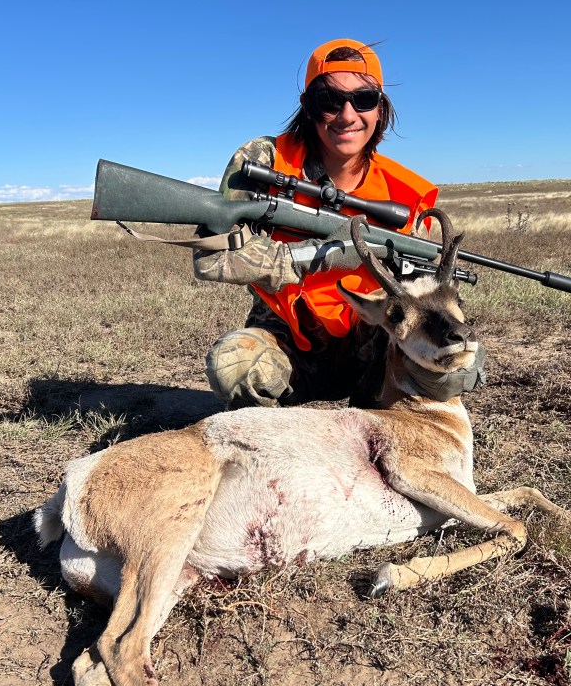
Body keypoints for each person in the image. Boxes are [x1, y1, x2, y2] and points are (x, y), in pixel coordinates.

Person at [193, 39, 483, 409]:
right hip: (287, 339)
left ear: (380, 108)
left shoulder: (404, 194)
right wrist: (318, 255)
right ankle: (275, 436)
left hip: (373, 340)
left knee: (458, 365)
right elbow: (211, 258)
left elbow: (418, 292)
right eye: (329, 100)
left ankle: (383, 425)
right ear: (308, 107)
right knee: (235, 365)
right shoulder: (264, 161)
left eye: (363, 99)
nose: (347, 115)